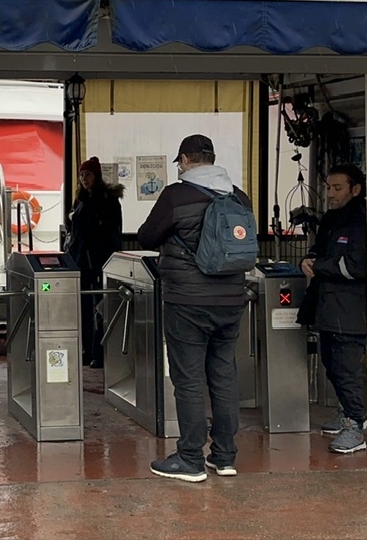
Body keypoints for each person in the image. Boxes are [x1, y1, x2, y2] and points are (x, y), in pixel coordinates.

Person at [137, 134, 252, 483]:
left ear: (185, 160)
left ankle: (190, 458)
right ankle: (225, 456)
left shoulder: (176, 195)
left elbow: (146, 238)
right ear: (212, 158)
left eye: (180, 162)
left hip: (188, 301)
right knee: (224, 375)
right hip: (231, 299)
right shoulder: (239, 195)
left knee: (188, 380)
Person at [298, 164, 367, 454]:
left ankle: (356, 424)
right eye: (328, 187)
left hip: (350, 309)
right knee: (330, 363)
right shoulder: (330, 218)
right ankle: (345, 411)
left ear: (356, 189)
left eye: (337, 188)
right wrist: (308, 259)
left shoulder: (363, 220)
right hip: (326, 306)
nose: (330, 193)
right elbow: (320, 250)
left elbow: (356, 266)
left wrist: (320, 266)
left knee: (346, 368)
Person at [65, 156, 124, 368]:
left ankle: (99, 351)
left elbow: (109, 231)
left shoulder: (106, 200)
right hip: (81, 260)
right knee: (84, 307)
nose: (83, 179)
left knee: (101, 307)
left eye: (87, 175)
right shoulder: (81, 199)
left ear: (96, 176)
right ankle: (87, 349)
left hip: (99, 260)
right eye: (81, 175)